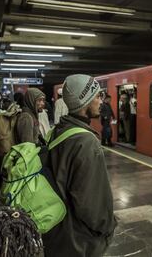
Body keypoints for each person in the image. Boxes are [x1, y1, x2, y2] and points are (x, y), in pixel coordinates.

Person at [43, 74, 117, 257]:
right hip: (78, 240)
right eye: (98, 96)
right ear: (85, 101)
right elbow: (92, 202)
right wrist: (107, 227)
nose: (101, 101)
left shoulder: (58, 131)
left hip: (58, 232)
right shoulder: (86, 142)